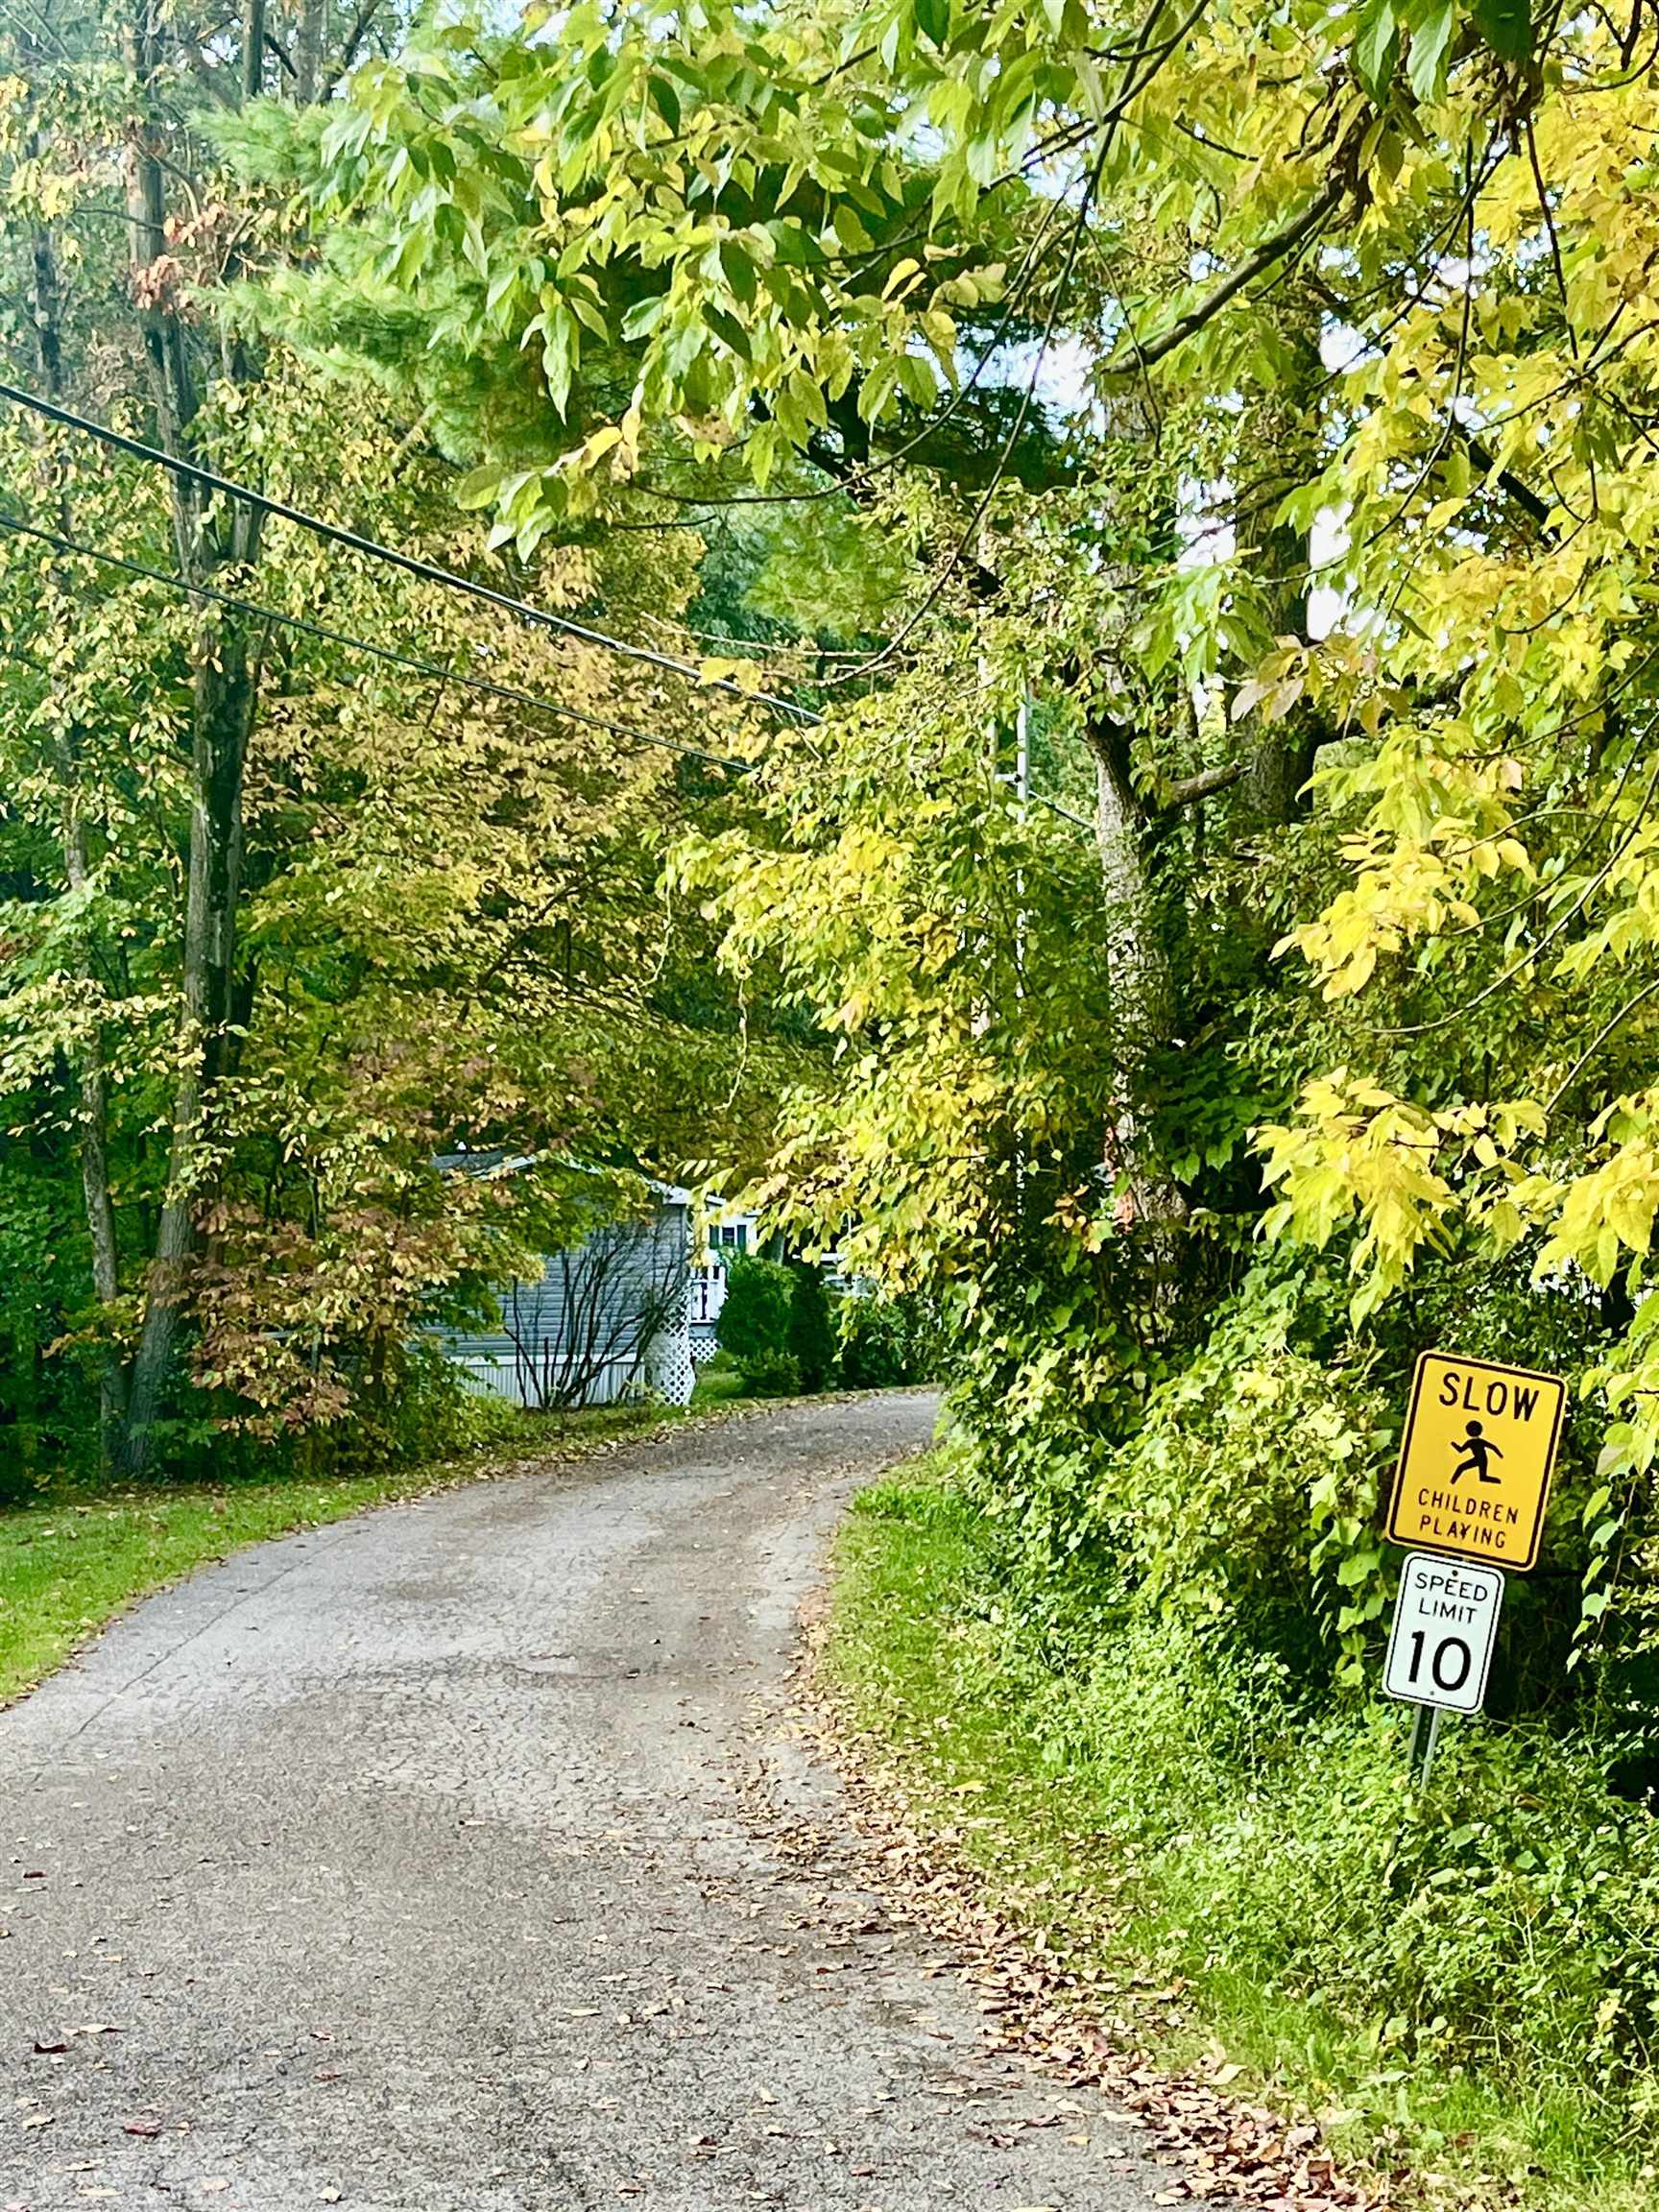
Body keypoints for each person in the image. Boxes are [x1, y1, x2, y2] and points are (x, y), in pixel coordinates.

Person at [1453, 1419, 1503, 1486]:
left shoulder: (1479, 1441)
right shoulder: (1469, 1442)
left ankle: (1499, 1481)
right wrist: (1454, 1445)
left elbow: (1492, 1447)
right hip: (1477, 1459)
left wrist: (1500, 1455)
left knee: (1482, 1477)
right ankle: (1452, 1482)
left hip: (1483, 1460)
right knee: (1461, 1467)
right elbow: (1460, 1450)